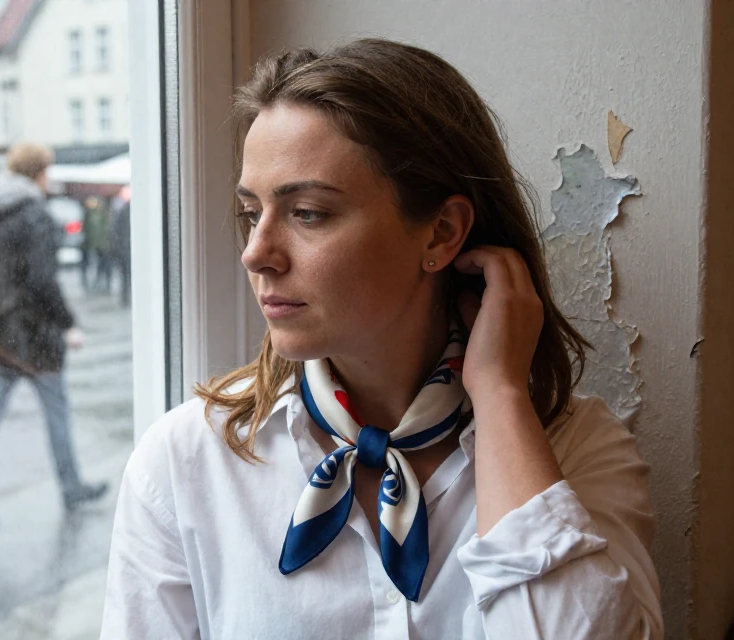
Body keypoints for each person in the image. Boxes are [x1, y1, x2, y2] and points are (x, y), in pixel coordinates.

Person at [101, 39, 664, 639]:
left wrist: (500, 396)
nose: (256, 253)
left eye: (308, 213)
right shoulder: (188, 462)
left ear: (441, 233)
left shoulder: (575, 451)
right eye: (251, 213)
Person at [0, 142, 108, 540]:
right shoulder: (35, 215)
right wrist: (68, 323)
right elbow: (42, 281)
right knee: (56, 412)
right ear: (40, 173)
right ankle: (71, 488)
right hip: (33, 339)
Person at [107, 187, 131, 308]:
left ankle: (126, 297)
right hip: (126, 249)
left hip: (125, 249)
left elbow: (116, 231)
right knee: (127, 275)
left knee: (126, 276)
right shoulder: (125, 211)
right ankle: (127, 297)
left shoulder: (123, 211)